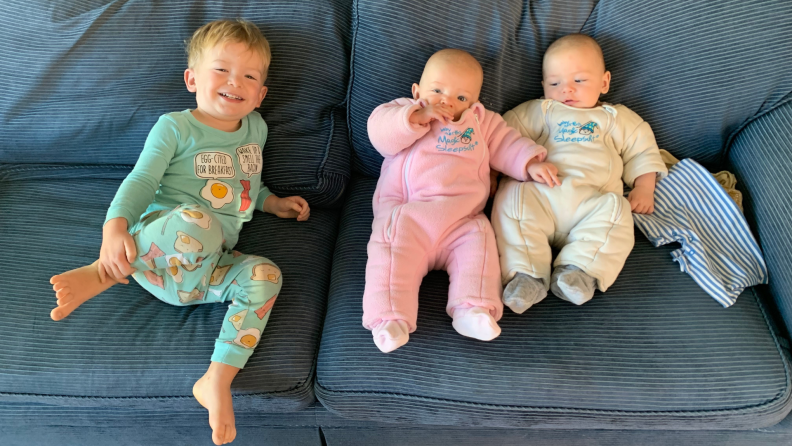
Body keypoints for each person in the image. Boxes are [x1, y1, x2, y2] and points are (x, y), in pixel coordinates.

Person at [49, 19, 310, 445]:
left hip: (201, 273)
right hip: (158, 245)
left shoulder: (256, 129)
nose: (234, 82)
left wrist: (272, 202)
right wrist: (114, 227)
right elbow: (140, 181)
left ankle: (216, 379)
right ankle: (106, 270)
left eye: (249, 75)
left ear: (261, 93)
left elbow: (248, 184)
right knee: (196, 219)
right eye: (221, 70)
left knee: (267, 275)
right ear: (192, 79)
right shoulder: (175, 127)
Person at [363, 49, 548, 353]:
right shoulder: (402, 110)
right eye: (437, 91)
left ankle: (472, 309)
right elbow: (380, 135)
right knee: (389, 256)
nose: (448, 101)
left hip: (462, 218)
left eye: (462, 98)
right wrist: (414, 118)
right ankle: (389, 318)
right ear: (417, 90)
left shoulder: (481, 123)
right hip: (408, 216)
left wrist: (530, 163)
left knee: (481, 243)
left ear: (475, 102)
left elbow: (506, 144)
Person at [492, 34, 667, 313]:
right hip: (541, 197)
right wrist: (523, 166)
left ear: (604, 82)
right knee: (510, 199)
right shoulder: (540, 111)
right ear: (543, 86)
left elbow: (642, 151)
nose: (566, 90)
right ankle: (525, 275)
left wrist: (644, 188)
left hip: (592, 203)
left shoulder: (617, 119)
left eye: (580, 81)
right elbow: (501, 138)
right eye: (555, 83)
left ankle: (578, 271)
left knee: (617, 213)